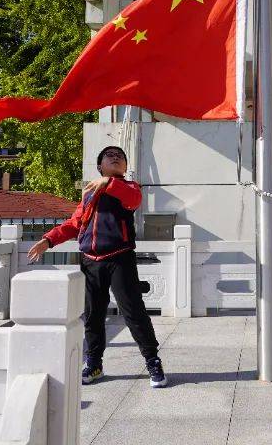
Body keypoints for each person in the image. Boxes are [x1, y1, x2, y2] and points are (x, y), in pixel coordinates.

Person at [27, 145, 167, 388]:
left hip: (119, 258)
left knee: (133, 311)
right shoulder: (89, 194)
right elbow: (75, 223)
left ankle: (152, 360)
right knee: (93, 315)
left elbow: (133, 200)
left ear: (124, 168)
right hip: (91, 260)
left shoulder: (130, 187)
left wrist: (107, 183)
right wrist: (48, 240)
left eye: (120, 157)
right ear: (100, 165)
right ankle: (94, 363)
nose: (115, 158)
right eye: (109, 156)